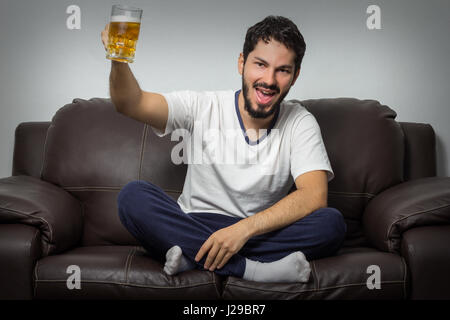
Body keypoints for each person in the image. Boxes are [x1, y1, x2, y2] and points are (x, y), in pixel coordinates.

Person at [101, 15, 347, 283]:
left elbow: (314, 196)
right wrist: (118, 59)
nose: (269, 79)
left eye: (283, 70)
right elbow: (130, 103)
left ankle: (190, 256)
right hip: (194, 222)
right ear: (242, 62)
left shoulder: (300, 121)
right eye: (260, 64)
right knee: (132, 197)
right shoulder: (203, 106)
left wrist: (243, 230)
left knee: (330, 223)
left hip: (254, 233)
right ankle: (252, 269)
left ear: (295, 76)